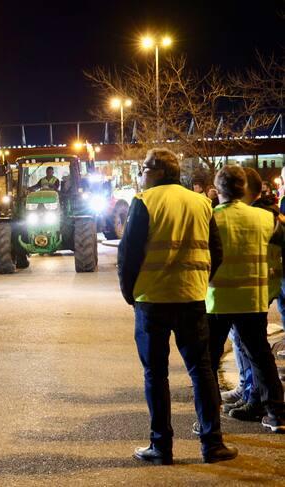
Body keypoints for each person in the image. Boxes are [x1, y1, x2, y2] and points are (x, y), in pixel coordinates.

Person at [118, 148, 236, 465]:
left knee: (155, 375)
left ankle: (161, 447)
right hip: (192, 300)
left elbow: (128, 255)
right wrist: (198, 281)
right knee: (202, 372)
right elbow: (216, 252)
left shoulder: (144, 202)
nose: (140, 174)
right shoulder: (201, 203)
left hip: (152, 302)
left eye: (142, 169)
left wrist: (130, 294)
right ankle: (212, 445)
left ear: (155, 171)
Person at [206, 165, 285, 433]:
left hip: (217, 300)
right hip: (253, 299)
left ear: (218, 191)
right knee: (261, 357)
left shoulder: (210, 217)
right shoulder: (264, 218)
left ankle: (209, 421)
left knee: (208, 360)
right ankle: (276, 414)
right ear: (245, 189)